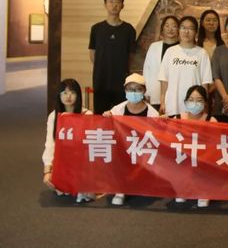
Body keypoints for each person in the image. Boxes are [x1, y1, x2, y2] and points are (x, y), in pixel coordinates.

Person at [103, 73, 160, 206]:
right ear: (125, 91)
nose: (133, 92)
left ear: (144, 91)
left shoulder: (153, 113)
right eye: (130, 89)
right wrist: (106, 117)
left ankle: (141, 184)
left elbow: (157, 137)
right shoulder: (117, 110)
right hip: (124, 149)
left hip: (143, 150)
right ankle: (120, 190)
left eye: (137, 89)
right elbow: (108, 127)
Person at [42, 79, 93, 202]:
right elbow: (50, 144)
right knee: (59, 188)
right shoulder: (53, 116)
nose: (68, 96)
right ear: (59, 96)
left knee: (85, 190)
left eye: (72, 93)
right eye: (64, 93)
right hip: (63, 159)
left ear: (78, 95)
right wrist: (47, 170)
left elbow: (90, 146)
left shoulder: (87, 115)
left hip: (82, 160)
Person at [89, 0, 136, 114]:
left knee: (120, 115)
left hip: (121, 81)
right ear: (105, 5)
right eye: (111, 2)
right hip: (101, 79)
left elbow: (131, 56)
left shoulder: (129, 29)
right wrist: (102, 66)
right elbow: (92, 53)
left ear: (122, 5)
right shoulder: (96, 29)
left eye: (117, 2)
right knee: (100, 115)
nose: (114, 5)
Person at [159, 16, 213, 117]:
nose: (186, 31)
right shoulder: (170, 52)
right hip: (172, 104)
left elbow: (205, 84)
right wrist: (162, 102)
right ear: (179, 30)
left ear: (196, 32)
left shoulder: (202, 53)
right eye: (183, 28)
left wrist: (205, 106)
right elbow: (164, 80)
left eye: (190, 28)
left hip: (194, 107)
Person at [177, 85, 216, 207]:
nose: (194, 103)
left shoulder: (211, 121)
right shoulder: (177, 119)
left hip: (204, 160)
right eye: (191, 100)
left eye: (199, 100)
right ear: (185, 102)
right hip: (183, 158)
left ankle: (204, 192)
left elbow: (215, 146)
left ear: (205, 103)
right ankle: (182, 188)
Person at [142, 15, 179, 110]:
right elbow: (147, 70)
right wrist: (146, 92)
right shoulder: (154, 47)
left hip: (176, 94)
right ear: (162, 29)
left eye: (174, 26)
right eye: (167, 26)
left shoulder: (181, 48)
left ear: (178, 29)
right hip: (155, 93)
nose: (170, 29)